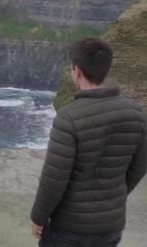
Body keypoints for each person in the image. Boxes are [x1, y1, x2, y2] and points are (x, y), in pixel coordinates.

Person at [30, 38, 147, 246]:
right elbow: (139, 167)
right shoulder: (137, 114)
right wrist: (114, 196)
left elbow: (54, 178)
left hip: (69, 226)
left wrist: (38, 217)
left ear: (76, 71)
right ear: (106, 69)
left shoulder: (68, 118)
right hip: (111, 224)